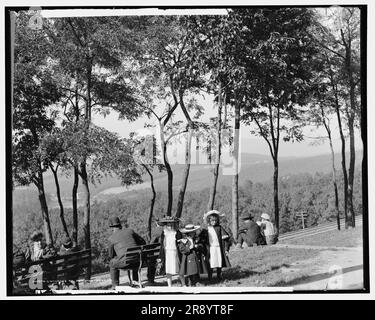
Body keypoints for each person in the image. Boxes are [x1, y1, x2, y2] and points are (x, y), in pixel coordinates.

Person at [108, 216, 146, 289]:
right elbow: (143, 242)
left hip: (126, 263)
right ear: (120, 224)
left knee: (111, 263)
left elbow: (111, 255)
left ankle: (115, 285)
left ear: (111, 228)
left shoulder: (111, 238)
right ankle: (135, 281)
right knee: (134, 256)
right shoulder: (130, 231)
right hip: (138, 261)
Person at [199, 210, 231, 281]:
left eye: (215, 220)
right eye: (212, 220)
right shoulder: (206, 229)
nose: (214, 222)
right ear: (209, 220)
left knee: (219, 262)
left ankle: (219, 276)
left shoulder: (219, 228)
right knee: (211, 263)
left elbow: (226, 239)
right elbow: (201, 240)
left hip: (218, 248)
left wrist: (226, 249)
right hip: (210, 249)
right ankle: (209, 277)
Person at [155, 216, 185, 287]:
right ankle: (169, 285)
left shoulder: (177, 233)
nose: (170, 226)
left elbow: (180, 243)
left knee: (179, 269)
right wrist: (161, 256)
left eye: (171, 224)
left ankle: (183, 283)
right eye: (168, 224)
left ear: (174, 224)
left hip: (176, 253)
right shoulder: (164, 233)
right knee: (168, 270)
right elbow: (162, 245)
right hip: (167, 253)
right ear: (165, 225)